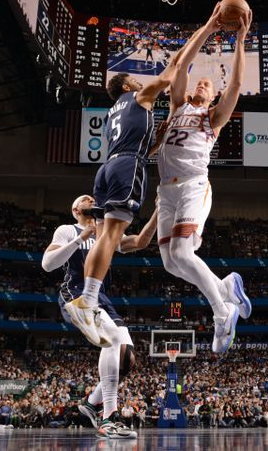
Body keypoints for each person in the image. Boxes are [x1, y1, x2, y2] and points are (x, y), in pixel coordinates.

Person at [64, 47, 178, 347]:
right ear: (127, 86)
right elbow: (169, 76)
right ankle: (87, 301)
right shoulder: (138, 98)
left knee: (108, 237)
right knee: (110, 237)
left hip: (110, 166)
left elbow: (132, 146)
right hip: (127, 166)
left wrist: (156, 144)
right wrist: (187, 51)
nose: (141, 83)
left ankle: (88, 302)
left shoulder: (112, 113)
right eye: (135, 80)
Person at [155, 3, 253, 352]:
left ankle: (221, 311)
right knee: (169, 262)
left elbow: (238, 82)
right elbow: (181, 65)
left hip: (194, 186)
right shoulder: (178, 105)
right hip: (165, 191)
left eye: (208, 85)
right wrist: (210, 27)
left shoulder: (212, 119)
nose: (202, 83)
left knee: (182, 250)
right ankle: (224, 288)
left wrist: (240, 40)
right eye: (200, 81)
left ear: (212, 97)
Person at [43, 194, 158, 438]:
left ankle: (91, 401)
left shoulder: (106, 232)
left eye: (93, 197)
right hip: (76, 292)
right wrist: (80, 238)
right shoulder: (67, 229)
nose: (91, 198)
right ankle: (109, 419)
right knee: (113, 338)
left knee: (126, 356)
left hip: (102, 297)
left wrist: (159, 213)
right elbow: (47, 264)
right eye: (85, 199)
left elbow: (139, 242)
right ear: (76, 209)